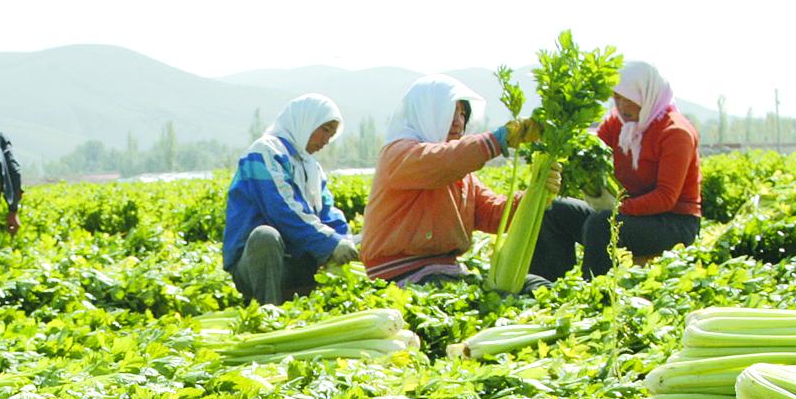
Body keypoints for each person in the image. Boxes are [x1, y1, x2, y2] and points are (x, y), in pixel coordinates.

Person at [359, 75, 546, 287]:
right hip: (402, 275)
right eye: (450, 112)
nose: (459, 121)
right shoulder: (398, 155)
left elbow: (495, 214)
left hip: (445, 270)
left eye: (463, 113)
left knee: (535, 286)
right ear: (427, 113)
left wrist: (538, 193)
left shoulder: (461, 173)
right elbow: (444, 161)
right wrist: (496, 140)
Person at [529, 61, 701, 281]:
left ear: (645, 96)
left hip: (674, 223)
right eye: (616, 98)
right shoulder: (617, 124)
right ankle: (547, 287)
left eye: (628, 99)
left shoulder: (676, 132)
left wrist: (617, 209)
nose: (621, 106)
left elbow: (666, 197)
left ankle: (596, 295)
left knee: (601, 225)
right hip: (628, 215)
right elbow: (591, 150)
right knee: (554, 211)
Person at [222, 94, 357, 305]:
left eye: (331, 134)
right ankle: (269, 312)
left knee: (361, 241)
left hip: (297, 262)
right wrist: (330, 243)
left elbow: (328, 214)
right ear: (305, 121)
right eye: (325, 130)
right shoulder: (265, 152)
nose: (326, 140)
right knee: (265, 236)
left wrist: (345, 241)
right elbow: (283, 211)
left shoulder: (311, 167)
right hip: (258, 265)